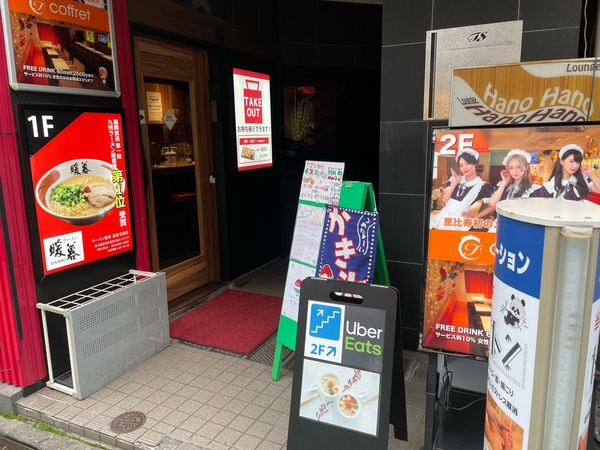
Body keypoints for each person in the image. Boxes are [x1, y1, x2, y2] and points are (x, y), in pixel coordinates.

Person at [430, 148, 494, 230]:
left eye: (467, 163)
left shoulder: (482, 186)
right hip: (443, 216)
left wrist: (475, 217)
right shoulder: (456, 179)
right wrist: (455, 182)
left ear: (475, 163)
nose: (464, 168)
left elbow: (492, 207)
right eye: (461, 165)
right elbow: (445, 199)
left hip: (459, 222)